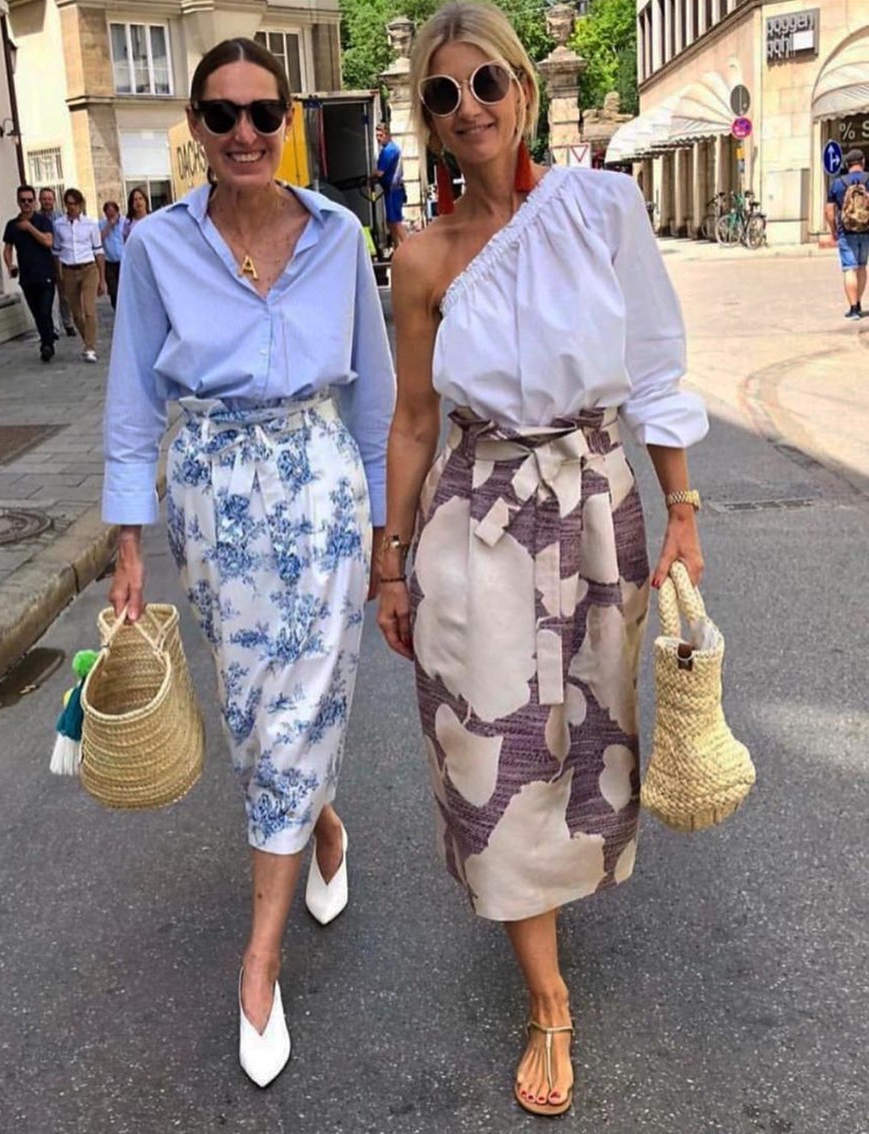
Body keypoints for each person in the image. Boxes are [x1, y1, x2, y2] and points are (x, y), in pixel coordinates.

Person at [376, 2, 708, 1118]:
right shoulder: (420, 257)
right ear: (427, 118)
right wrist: (390, 562)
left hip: (594, 504)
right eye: (443, 93)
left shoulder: (600, 208)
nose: (467, 107)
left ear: (522, 88)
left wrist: (683, 509)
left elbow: (653, 367)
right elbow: (412, 421)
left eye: (485, 82)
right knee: (491, 744)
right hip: (473, 522)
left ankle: (553, 906)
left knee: (584, 742)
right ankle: (548, 994)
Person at [102, 37, 394, 1089]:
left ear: (288, 122)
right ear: (195, 126)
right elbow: (134, 400)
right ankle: (321, 823)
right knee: (254, 708)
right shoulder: (156, 247)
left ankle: (259, 962)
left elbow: (375, 398)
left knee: (302, 701)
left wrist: (387, 541)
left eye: (263, 113)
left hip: (321, 490)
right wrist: (127, 542)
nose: (244, 133)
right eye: (221, 115)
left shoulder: (339, 236)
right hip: (212, 498)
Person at [2, 184, 56, 362]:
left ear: (34, 202)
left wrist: (30, 228)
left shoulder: (43, 221)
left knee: (45, 310)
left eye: (30, 200)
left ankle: (47, 345)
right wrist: (10, 265)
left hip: (45, 274)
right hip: (27, 276)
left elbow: (48, 242)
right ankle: (47, 340)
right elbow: (7, 248)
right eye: (23, 200)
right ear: (18, 202)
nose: (26, 203)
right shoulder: (12, 225)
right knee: (37, 313)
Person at [52, 188, 106, 362]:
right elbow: (56, 251)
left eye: (75, 203)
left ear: (80, 204)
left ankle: (90, 347)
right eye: (68, 204)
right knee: (76, 314)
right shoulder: (59, 225)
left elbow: (99, 251)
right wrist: (59, 276)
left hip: (88, 268)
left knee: (89, 309)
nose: (72, 207)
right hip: (69, 269)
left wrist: (102, 279)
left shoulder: (90, 224)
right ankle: (88, 340)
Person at [825, 147, 869, 320]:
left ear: (847, 164)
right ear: (863, 162)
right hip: (866, 230)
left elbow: (829, 211)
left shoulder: (838, 183)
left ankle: (853, 309)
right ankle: (859, 302)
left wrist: (833, 230)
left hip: (846, 231)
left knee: (850, 268)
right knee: (862, 267)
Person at [39, 186, 76, 337]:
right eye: (44, 199)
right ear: (40, 200)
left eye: (49, 199)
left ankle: (68, 323)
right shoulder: (36, 218)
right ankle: (54, 327)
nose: (47, 201)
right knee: (49, 296)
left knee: (65, 294)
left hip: (61, 259)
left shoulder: (61, 218)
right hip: (44, 260)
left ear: (54, 200)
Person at [372, 122, 407, 251]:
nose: (378, 138)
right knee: (391, 222)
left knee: (396, 222)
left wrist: (370, 176)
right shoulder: (391, 149)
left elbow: (380, 172)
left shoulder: (388, 151)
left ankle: (409, 248)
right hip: (392, 189)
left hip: (394, 190)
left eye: (380, 135)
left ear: (387, 135)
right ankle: (398, 249)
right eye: (377, 136)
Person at [99, 201, 127, 310]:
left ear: (117, 212)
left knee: (124, 289)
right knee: (113, 291)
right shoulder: (102, 224)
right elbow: (99, 239)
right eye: (108, 214)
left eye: (112, 213)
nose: (110, 216)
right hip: (109, 262)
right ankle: (117, 310)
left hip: (123, 261)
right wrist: (109, 226)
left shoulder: (125, 222)